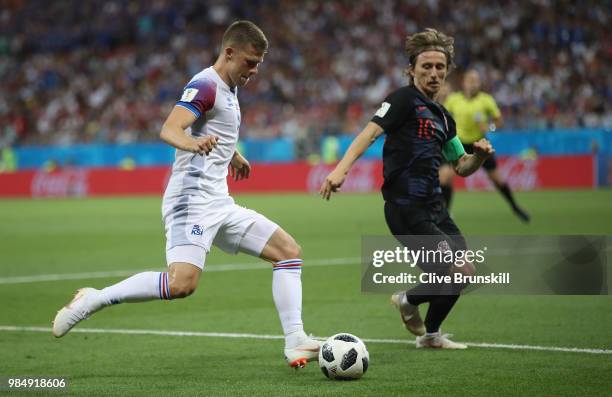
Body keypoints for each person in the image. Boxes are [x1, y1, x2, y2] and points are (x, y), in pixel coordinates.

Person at [52, 20, 320, 369]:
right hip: (191, 201)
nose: (254, 71)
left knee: (288, 252)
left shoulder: (228, 88)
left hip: (219, 202)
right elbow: (170, 128)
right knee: (182, 285)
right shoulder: (206, 85)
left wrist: (232, 154)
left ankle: (295, 340)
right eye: (250, 63)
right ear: (229, 53)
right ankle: (95, 299)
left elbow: (211, 126)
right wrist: (193, 143)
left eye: (258, 65)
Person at [320, 28, 494, 349]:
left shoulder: (444, 118)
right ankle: (407, 299)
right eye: (426, 67)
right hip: (406, 207)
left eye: (440, 67)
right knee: (460, 269)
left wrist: (479, 157)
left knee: (461, 275)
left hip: (436, 208)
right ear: (411, 69)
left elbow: (461, 166)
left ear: (447, 70)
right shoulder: (402, 100)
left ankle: (430, 335)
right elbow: (369, 134)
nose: (433, 73)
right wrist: (340, 170)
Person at [440, 69, 530, 222]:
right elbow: (443, 116)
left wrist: (489, 127)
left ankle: (514, 206)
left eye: (475, 80)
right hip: (458, 143)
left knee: (497, 180)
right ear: (463, 82)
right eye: (470, 80)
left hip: (479, 144)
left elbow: (498, 121)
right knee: (445, 177)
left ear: (479, 83)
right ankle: (445, 213)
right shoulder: (453, 99)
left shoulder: (486, 100)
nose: (472, 83)